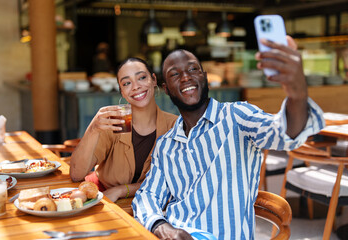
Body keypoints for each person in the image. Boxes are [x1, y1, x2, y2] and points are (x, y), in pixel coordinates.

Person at [132, 37, 325, 239]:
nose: (186, 77)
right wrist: (163, 227)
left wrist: (297, 90)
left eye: (193, 70)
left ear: (204, 77)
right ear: (165, 88)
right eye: (175, 74)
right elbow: (148, 195)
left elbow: (285, 132)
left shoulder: (237, 116)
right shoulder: (166, 145)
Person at [70, 57, 177, 202]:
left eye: (142, 78)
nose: (135, 86)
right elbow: (76, 174)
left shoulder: (174, 126)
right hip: (101, 198)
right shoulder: (114, 122)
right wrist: (93, 129)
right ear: (121, 91)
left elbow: (173, 182)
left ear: (153, 80)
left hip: (147, 203)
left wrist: (122, 190)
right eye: (127, 83)